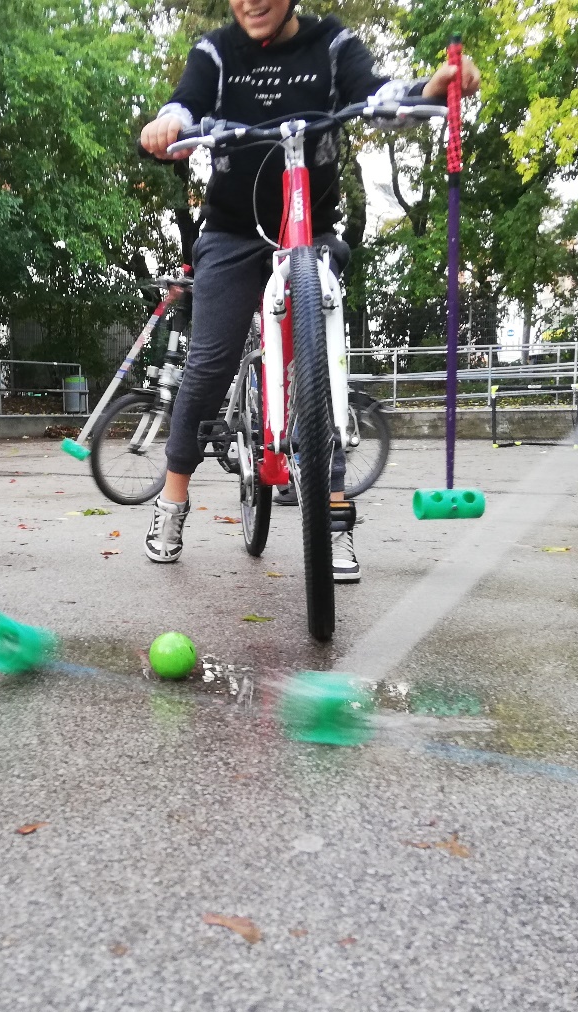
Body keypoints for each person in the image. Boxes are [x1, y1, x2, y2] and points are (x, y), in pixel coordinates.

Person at [139, 0, 480, 579]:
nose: (251, 3)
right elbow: (185, 102)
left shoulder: (330, 43)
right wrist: (169, 122)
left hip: (311, 227)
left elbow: (375, 98)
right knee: (210, 360)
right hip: (232, 231)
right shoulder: (216, 52)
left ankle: (334, 514)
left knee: (322, 365)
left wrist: (431, 87)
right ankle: (173, 498)